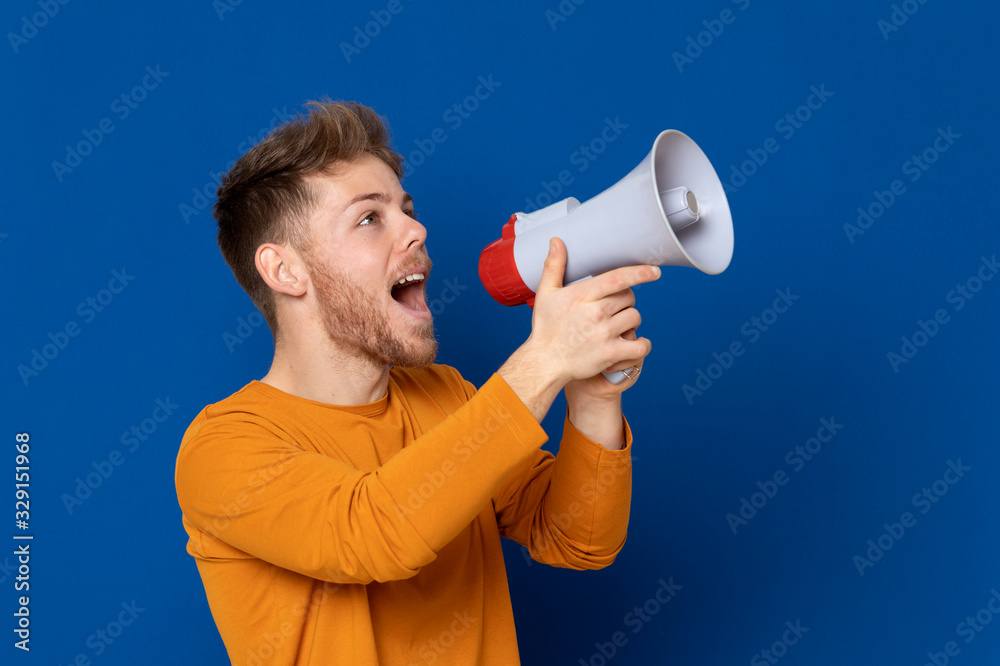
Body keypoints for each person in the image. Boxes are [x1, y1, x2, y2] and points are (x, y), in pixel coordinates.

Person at [174, 99, 659, 666]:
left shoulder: (446, 395)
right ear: (285, 271)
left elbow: (579, 539)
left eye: (406, 208)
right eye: (369, 218)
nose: (416, 228)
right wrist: (546, 358)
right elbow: (371, 536)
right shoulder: (223, 449)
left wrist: (593, 397)